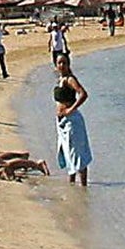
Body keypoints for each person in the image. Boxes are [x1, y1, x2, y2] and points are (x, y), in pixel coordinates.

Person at [53, 53, 92, 187]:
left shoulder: (70, 79)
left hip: (72, 121)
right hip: (62, 122)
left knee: (78, 153)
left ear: (68, 64)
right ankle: (71, 183)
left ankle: (83, 187)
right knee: (67, 151)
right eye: (59, 63)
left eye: (64, 63)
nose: (61, 65)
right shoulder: (60, 79)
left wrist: (71, 109)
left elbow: (83, 94)